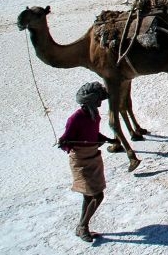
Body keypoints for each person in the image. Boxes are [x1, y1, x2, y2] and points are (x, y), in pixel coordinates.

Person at [58, 82, 117, 243]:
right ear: (92, 100)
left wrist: (108, 139)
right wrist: (63, 143)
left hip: (93, 157)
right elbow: (66, 140)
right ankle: (82, 227)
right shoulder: (75, 118)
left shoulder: (94, 115)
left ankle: (83, 226)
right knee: (96, 195)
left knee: (89, 195)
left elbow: (93, 134)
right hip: (81, 160)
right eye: (99, 99)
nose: (101, 102)